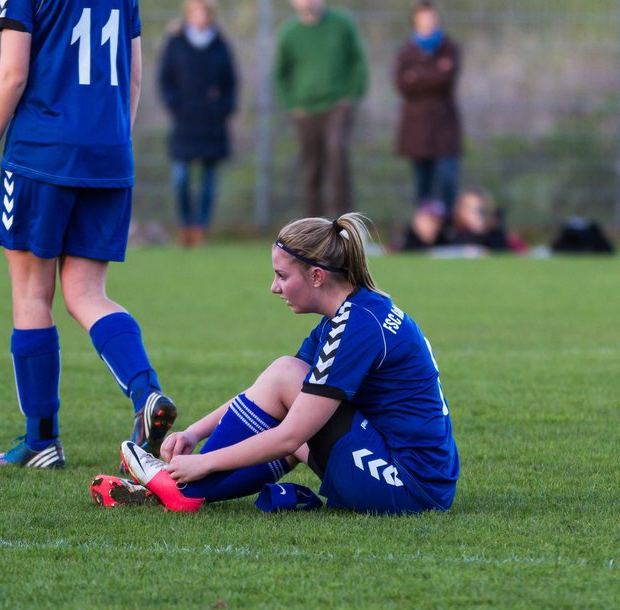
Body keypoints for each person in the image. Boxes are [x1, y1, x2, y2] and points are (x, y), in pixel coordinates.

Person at [0, 0, 177, 469]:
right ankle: (145, 391)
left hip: (42, 155)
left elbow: (12, 74)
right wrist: (106, 144)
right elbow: (133, 79)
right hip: (110, 154)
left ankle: (42, 441)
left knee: (33, 294)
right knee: (87, 293)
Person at [116, 212, 459, 515]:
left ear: (316, 277)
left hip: (408, 487)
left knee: (289, 394)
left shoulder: (357, 327)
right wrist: (194, 432)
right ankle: (183, 492)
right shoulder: (351, 315)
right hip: (418, 478)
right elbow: (267, 394)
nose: (273, 287)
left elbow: (290, 431)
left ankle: (178, 489)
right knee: (289, 387)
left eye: (282, 276)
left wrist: (204, 462)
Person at [273, 0, 368, 217]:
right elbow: (279, 75)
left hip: (337, 106)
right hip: (305, 111)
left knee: (336, 153)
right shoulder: (289, 33)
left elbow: (358, 62)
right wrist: (292, 105)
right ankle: (314, 228)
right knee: (311, 168)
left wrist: (350, 96)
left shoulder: (342, 24)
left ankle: (344, 223)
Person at [157, 0, 237, 248]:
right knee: (180, 176)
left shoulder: (220, 45)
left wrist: (221, 109)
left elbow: (230, 83)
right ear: (189, 14)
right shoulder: (175, 42)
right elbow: (164, 78)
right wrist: (176, 105)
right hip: (184, 122)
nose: (200, 16)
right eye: (196, 11)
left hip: (212, 123)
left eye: (204, 11)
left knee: (208, 180)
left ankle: (201, 228)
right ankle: (185, 225)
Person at [394, 0, 462, 213]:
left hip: (444, 127)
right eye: (423, 16)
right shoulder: (406, 51)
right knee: (423, 186)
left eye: (431, 16)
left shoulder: (449, 48)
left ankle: (449, 230)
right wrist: (435, 72)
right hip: (417, 129)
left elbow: (446, 79)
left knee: (447, 180)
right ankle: (425, 234)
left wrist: (417, 76)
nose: (428, 21)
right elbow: (403, 84)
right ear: (415, 19)